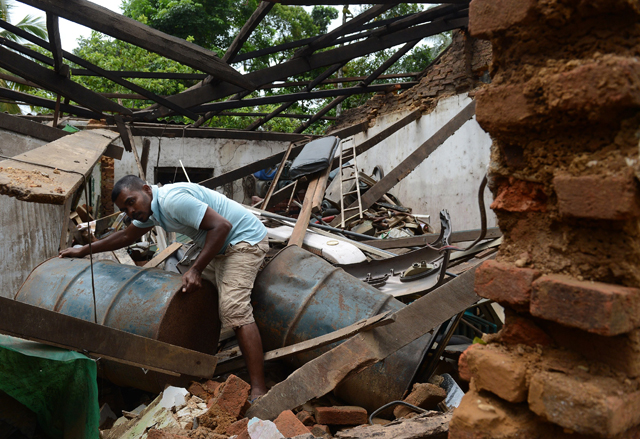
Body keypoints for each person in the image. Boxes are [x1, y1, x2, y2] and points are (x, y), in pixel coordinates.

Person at [59, 175, 269, 400]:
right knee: (186, 292)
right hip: (219, 246)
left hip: (244, 241)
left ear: (147, 190)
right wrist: (83, 250)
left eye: (131, 202)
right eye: (125, 209)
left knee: (233, 310)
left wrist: (196, 269)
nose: (130, 211)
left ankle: (259, 387)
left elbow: (222, 225)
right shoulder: (151, 210)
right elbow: (126, 236)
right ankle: (199, 361)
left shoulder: (171, 201)